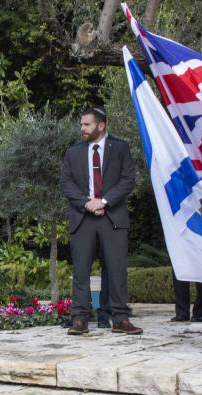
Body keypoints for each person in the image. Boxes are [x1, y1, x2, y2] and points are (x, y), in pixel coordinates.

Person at [59, 105, 143, 336]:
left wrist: (103, 201)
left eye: (87, 124)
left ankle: (120, 319)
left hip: (113, 217)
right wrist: (87, 202)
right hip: (82, 218)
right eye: (82, 124)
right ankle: (80, 319)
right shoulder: (73, 152)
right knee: (81, 271)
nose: (82, 129)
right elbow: (65, 183)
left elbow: (128, 181)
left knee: (117, 270)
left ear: (101, 125)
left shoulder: (120, 148)